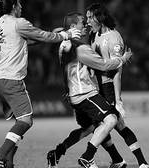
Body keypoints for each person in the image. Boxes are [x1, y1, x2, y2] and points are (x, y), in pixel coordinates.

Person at [0, 0, 81, 168]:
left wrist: (49, 35)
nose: (22, 7)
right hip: (12, 79)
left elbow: (26, 39)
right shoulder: (19, 22)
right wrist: (64, 35)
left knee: (18, 122)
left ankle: (8, 163)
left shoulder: (2, 22)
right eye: (19, 4)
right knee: (26, 121)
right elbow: (40, 35)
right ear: (14, 6)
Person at [47, 12, 132, 168]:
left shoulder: (63, 45)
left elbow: (55, 34)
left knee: (90, 127)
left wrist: (61, 32)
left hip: (73, 94)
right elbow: (105, 65)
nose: (85, 24)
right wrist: (122, 59)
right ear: (73, 27)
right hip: (85, 94)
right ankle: (88, 157)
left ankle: (57, 152)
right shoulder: (81, 48)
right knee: (111, 119)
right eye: (81, 22)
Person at [87, 3, 149, 168]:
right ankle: (121, 161)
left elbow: (117, 70)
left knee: (117, 126)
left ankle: (140, 162)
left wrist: (117, 99)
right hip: (96, 88)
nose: (87, 21)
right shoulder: (94, 35)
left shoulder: (114, 38)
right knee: (99, 127)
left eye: (89, 18)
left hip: (107, 88)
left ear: (99, 18)